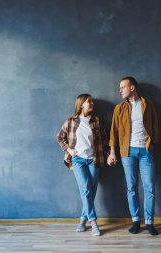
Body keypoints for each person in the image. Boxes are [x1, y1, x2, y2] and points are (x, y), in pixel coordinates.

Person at [107, 76, 160, 236]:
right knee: (131, 187)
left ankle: (150, 223)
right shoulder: (119, 108)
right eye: (120, 87)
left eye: (123, 86)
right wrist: (112, 152)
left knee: (149, 187)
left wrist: (152, 143)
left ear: (132, 88)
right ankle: (136, 221)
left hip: (145, 151)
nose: (120, 90)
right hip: (127, 152)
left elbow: (156, 125)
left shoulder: (148, 105)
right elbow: (113, 132)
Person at [57, 94, 109, 236]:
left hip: (94, 159)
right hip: (78, 160)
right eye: (89, 102)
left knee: (91, 191)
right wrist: (69, 150)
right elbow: (60, 137)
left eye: (92, 101)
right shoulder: (71, 121)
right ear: (81, 104)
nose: (92, 103)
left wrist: (110, 154)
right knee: (85, 188)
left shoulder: (97, 121)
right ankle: (93, 222)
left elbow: (105, 142)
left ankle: (82, 220)